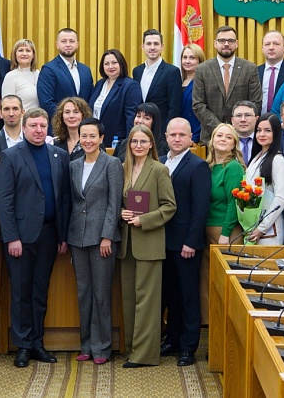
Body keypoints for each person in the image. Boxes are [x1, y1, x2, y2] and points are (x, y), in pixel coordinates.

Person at [0, 108, 71, 368]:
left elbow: (63, 199)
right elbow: (4, 202)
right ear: (24, 128)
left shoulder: (59, 155)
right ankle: (23, 346)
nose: (38, 130)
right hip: (21, 237)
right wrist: (11, 238)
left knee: (40, 291)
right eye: (33, 126)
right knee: (20, 293)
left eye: (42, 126)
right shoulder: (10, 156)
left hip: (50, 235)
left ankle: (38, 342)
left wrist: (63, 235)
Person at [119, 124, 176, 368]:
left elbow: (169, 206)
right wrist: (122, 212)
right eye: (134, 141)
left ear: (152, 144)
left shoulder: (159, 170)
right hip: (127, 244)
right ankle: (133, 348)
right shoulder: (122, 169)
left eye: (143, 141)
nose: (138, 146)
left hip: (149, 241)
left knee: (148, 301)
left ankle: (145, 355)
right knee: (129, 298)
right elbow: (117, 202)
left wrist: (145, 219)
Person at [67, 117, 123, 365]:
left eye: (92, 136)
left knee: (101, 294)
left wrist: (107, 235)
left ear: (102, 138)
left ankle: (102, 347)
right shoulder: (74, 165)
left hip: (102, 239)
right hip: (77, 237)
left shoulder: (112, 164)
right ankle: (86, 344)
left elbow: (114, 203)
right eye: (83, 135)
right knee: (84, 293)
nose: (87, 140)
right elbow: (73, 202)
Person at [160, 118, 211, 367]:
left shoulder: (198, 165)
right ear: (166, 136)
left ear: (191, 138)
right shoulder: (159, 162)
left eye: (182, 134)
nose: (177, 138)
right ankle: (173, 339)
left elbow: (200, 209)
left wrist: (191, 241)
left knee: (188, 295)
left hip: (186, 244)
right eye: (173, 134)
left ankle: (189, 347)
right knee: (171, 295)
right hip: (162, 241)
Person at [192, 25, 262, 145]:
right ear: (215, 43)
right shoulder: (202, 70)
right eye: (221, 40)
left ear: (236, 43)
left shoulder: (250, 69)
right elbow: (198, 105)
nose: (226, 44)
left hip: (242, 137)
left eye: (230, 40)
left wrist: (237, 125)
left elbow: (255, 103)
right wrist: (221, 129)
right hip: (211, 137)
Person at [204, 123, 244, 323]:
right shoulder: (209, 167)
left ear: (234, 144)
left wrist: (226, 233)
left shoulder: (233, 167)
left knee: (227, 286)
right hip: (208, 231)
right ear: (212, 140)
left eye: (229, 137)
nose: (223, 139)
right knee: (212, 286)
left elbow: (233, 202)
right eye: (219, 135)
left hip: (225, 232)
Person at [245, 114, 284, 245]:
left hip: (269, 230)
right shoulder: (256, 157)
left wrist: (262, 228)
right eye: (259, 130)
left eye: (267, 130)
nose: (262, 134)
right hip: (253, 224)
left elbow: (281, 197)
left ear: (276, 133)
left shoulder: (277, 160)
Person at [88, 49, 142, 145]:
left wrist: (129, 143)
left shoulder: (130, 85)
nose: (110, 67)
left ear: (121, 64)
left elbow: (131, 117)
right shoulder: (100, 84)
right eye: (107, 64)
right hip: (96, 139)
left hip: (116, 141)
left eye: (114, 63)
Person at [38, 28, 95, 118]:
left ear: (77, 44)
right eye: (64, 41)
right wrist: (68, 118)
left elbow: (91, 99)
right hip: (59, 127)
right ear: (57, 45)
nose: (68, 44)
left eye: (71, 41)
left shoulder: (86, 70)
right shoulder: (48, 69)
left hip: (82, 127)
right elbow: (46, 102)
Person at [132, 29, 182, 126]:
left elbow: (174, 107)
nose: (152, 47)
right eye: (148, 44)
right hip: (140, 128)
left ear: (162, 46)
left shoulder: (172, 72)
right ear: (143, 47)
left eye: (156, 44)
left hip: (161, 130)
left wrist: (167, 131)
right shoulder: (137, 71)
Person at [257, 30, 284, 113]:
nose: (271, 47)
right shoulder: (255, 71)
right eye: (267, 44)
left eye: (276, 44)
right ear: (262, 48)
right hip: (259, 122)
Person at [2, 39, 41, 110]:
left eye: (28, 50)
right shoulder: (10, 76)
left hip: (39, 119)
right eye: (20, 50)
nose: (24, 54)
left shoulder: (40, 74)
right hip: (21, 120)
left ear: (33, 55)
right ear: (15, 55)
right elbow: (7, 106)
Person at [51, 96, 92, 162]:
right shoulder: (57, 144)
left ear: (83, 115)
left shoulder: (92, 141)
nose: (71, 116)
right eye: (67, 112)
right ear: (61, 116)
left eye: (76, 112)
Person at [179, 43, 205, 143]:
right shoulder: (177, 81)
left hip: (195, 138)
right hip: (178, 135)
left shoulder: (203, 83)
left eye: (192, 58)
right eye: (184, 57)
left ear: (200, 61)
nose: (187, 61)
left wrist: (196, 137)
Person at [231, 101, 259, 165]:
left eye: (248, 115)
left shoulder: (263, 141)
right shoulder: (226, 142)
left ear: (256, 119)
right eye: (238, 116)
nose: (243, 120)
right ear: (232, 121)